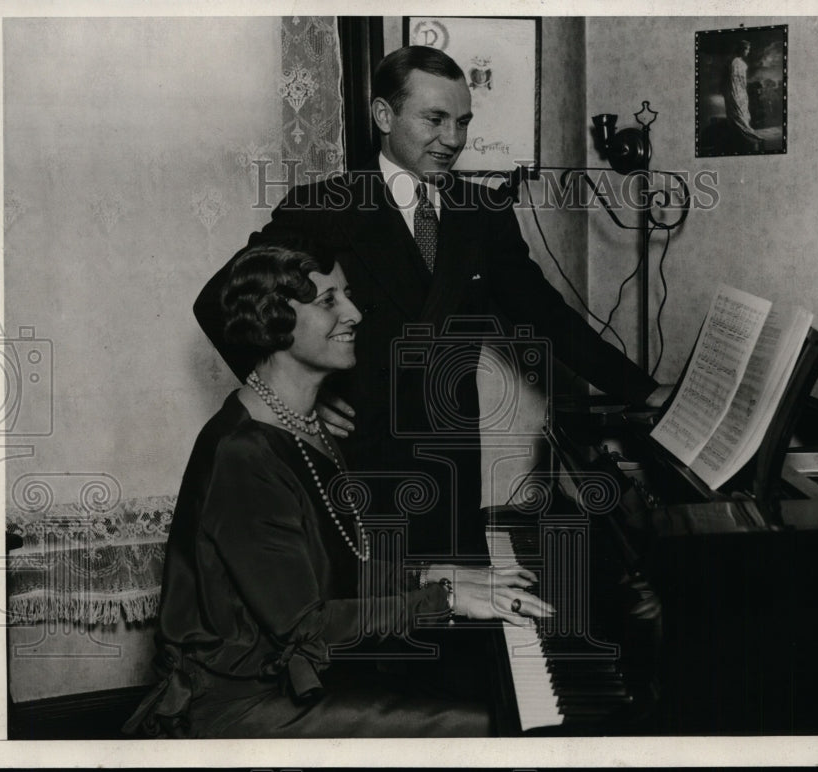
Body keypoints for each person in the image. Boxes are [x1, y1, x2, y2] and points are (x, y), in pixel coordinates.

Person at [195, 45, 671, 561]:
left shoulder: (484, 213)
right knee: (375, 618)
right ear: (384, 115)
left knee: (454, 619)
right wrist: (290, 396)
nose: (453, 139)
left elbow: (550, 318)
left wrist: (642, 391)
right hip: (357, 467)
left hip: (452, 468)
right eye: (435, 119)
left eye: (462, 122)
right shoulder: (323, 208)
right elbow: (218, 302)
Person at [124, 244, 553, 738]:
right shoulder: (242, 453)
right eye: (328, 301)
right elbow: (305, 625)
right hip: (242, 702)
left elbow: (334, 565)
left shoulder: (305, 423)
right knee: (494, 726)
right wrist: (446, 598)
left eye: (347, 295)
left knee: (478, 702)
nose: (353, 313)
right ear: (272, 320)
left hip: (297, 676)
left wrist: (433, 572)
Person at [721, 39, 763, 151]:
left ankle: (744, 139)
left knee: (743, 114)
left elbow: (742, 81)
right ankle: (744, 138)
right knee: (737, 115)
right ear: (742, 49)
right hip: (733, 92)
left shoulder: (742, 64)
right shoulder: (732, 62)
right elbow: (727, 80)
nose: (748, 52)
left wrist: (744, 92)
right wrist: (728, 92)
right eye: (747, 49)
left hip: (741, 93)